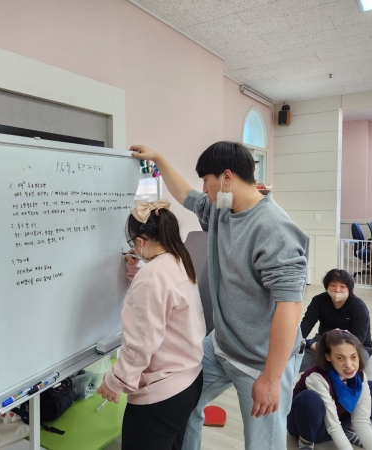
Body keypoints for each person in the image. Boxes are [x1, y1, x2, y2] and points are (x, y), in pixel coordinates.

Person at [129, 142, 309, 450]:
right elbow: (185, 194)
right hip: (221, 344)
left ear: (227, 178)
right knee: (182, 405)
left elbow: (290, 307)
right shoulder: (221, 210)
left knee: (262, 445)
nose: (204, 190)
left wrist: (271, 377)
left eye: (206, 181)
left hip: (261, 359)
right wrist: (158, 158)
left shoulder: (274, 230)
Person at [97, 199, 206, 450]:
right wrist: (135, 269)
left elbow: (141, 343)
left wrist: (115, 381)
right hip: (188, 380)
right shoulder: (178, 258)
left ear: (140, 242)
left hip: (162, 394)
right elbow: (161, 298)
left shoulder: (152, 276)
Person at [288, 329, 372, 449]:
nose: (349, 364)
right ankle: (305, 443)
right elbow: (333, 426)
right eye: (340, 358)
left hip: (335, 424)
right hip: (307, 428)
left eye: (353, 357)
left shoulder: (359, 375)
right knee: (309, 399)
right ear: (328, 357)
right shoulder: (316, 377)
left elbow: (362, 421)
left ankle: (349, 433)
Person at [300, 269, 372, 372]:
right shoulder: (318, 301)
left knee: (347, 366)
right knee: (302, 363)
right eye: (333, 285)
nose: (337, 290)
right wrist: (298, 340)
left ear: (349, 288)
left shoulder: (358, 306)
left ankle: (323, 354)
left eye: (342, 286)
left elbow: (359, 337)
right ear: (327, 286)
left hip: (356, 345)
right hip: (325, 340)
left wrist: (319, 347)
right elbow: (307, 323)